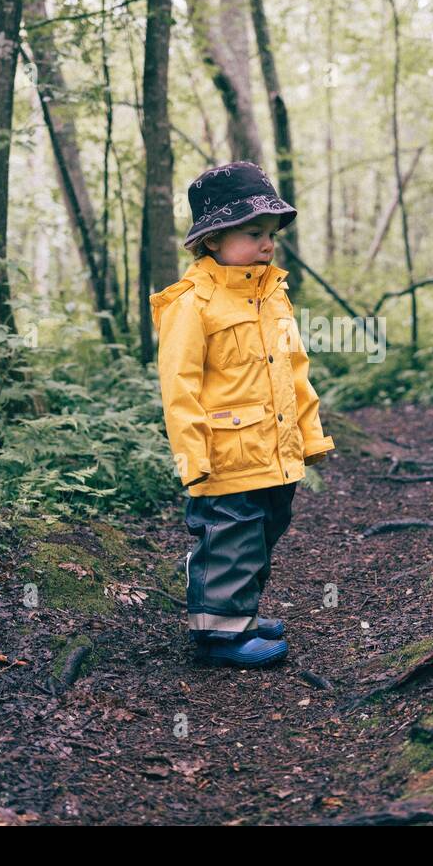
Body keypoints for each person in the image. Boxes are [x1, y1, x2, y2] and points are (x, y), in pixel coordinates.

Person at [148, 161, 335, 667]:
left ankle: (240, 614)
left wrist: (310, 437)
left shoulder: (272, 294)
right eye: (254, 233)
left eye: (270, 234)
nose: (267, 244)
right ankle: (218, 636)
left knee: (263, 531)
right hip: (225, 454)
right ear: (212, 239)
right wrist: (192, 457)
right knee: (230, 537)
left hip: (274, 449)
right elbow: (179, 387)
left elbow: (294, 370)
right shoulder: (192, 304)